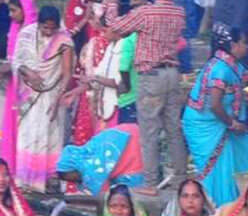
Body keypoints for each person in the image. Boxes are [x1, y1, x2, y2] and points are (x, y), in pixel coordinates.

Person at [105, 0, 190, 191]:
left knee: (149, 133)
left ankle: (150, 183)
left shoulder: (145, 13)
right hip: (172, 73)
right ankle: (180, 179)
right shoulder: (178, 12)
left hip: (151, 76)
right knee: (173, 130)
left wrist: (111, 5)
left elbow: (116, 26)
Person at [184, 24, 248, 206]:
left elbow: (243, 86)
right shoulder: (220, 69)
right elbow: (214, 105)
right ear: (233, 45)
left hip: (223, 123)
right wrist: (232, 124)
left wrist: (246, 93)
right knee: (219, 170)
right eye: (244, 43)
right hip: (206, 125)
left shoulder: (236, 66)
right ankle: (220, 207)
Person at [12, 5, 74, 191]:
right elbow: (17, 62)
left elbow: (67, 73)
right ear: (38, 24)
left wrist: (57, 101)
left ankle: (44, 182)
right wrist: (27, 71)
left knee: (48, 138)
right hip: (29, 96)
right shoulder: (27, 34)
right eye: (44, 28)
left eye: (51, 28)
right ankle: (24, 180)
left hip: (51, 96)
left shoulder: (64, 40)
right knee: (28, 136)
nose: (48, 32)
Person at [71, 7, 134, 143]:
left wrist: (94, 78)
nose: (103, 34)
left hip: (118, 103)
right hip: (106, 103)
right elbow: (99, 71)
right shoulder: (111, 47)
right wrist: (84, 82)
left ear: (117, 30)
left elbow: (118, 83)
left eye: (106, 30)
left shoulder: (124, 48)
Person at [56, 122, 148, 196]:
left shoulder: (91, 166)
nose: (71, 181)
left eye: (69, 177)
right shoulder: (89, 150)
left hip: (134, 148)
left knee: (126, 197)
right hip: (134, 133)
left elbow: (98, 191)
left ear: (74, 168)